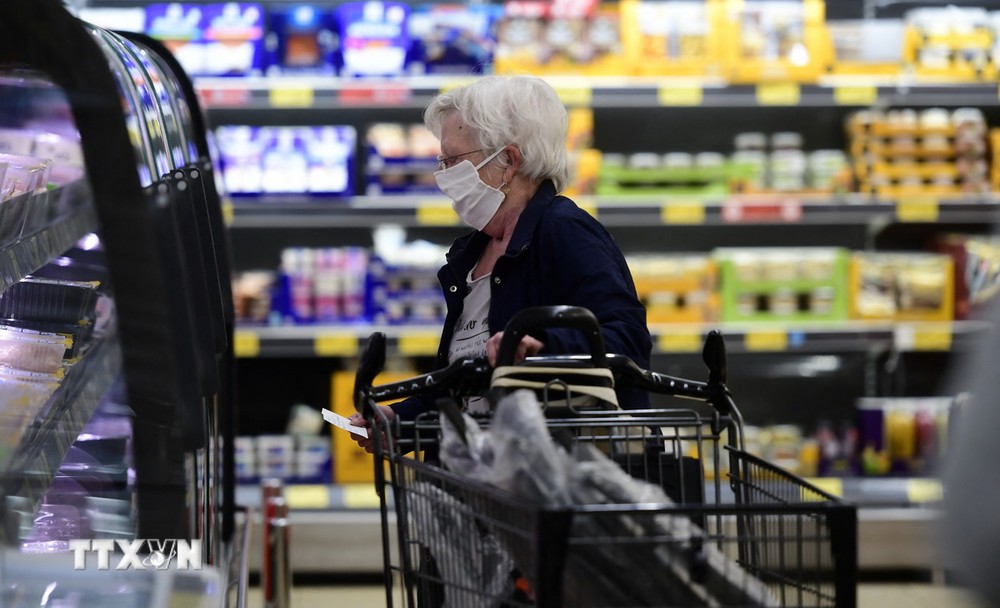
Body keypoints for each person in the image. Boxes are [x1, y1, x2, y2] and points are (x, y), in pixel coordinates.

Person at [350, 75, 651, 452]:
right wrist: (400, 421)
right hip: (488, 484)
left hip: (557, 480)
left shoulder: (565, 232)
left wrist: (544, 346)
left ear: (508, 161)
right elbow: (468, 385)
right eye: (441, 161)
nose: (442, 175)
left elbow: (628, 339)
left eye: (453, 160)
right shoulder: (473, 254)